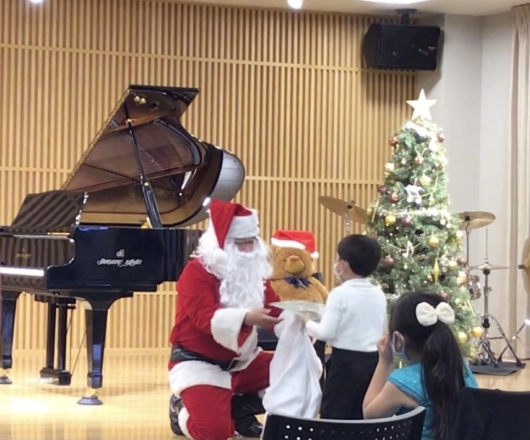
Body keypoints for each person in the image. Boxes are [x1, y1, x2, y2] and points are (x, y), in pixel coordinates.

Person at [168, 199, 284, 440]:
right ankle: (181, 410)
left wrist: (298, 321)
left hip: (245, 362)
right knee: (216, 433)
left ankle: (240, 409)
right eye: (241, 244)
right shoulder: (196, 273)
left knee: (297, 370)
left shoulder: (253, 272)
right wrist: (246, 318)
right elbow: (204, 318)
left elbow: (274, 309)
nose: (249, 250)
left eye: (252, 242)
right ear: (223, 245)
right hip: (201, 364)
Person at [363, 291, 479, 440]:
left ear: (398, 339)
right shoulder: (463, 370)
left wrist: (384, 361)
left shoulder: (404, 381)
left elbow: (369, 414)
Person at [303, 234, 387, 420]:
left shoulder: (339, 293)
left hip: (345, 366)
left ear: (344, 265)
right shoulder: (378, 294)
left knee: (336, 419)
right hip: (373, 364)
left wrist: (305, 322)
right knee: (362, 418)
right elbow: (382, 331)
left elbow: (325, 333)